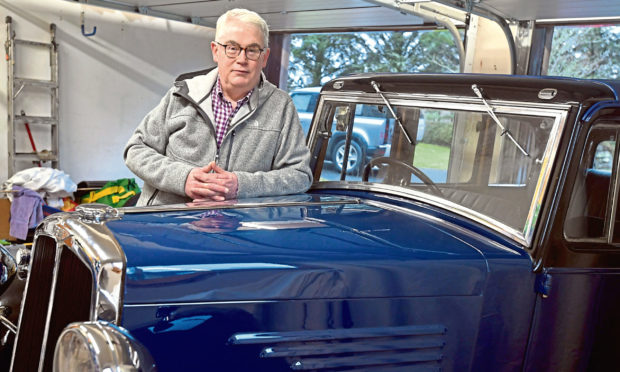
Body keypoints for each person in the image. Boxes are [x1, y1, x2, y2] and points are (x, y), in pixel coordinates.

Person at [124, 8, 312, 206]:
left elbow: (299, 176)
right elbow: (136, 149)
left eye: (252, 50)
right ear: (216, 51)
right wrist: (183, 178)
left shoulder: (281, 107)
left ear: (264, 57)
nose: (242, 59)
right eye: (232, 48)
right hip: (166, 221)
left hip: (236, 229)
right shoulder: (182, 94)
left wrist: (241, 185)